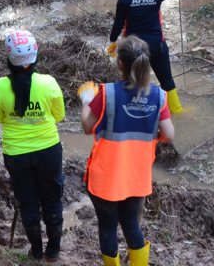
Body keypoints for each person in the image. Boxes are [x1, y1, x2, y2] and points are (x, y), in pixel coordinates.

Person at [79, 35, 175, 266]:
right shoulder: (159, 96)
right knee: (132, 225)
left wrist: (86, 99)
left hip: (105, 179)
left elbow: (86, 127)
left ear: (120, 63)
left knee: (108, 228)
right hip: (136, 177)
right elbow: (169, 135)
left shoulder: (106, 93)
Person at [0, 30, 65, 261]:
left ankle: (36, 250)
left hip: (16, 154)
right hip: (48, 151)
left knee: (28, 202)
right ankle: (53, 251)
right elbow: (59, 116)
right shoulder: (48, 83)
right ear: (35, 54)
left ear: (8, 57)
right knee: (52, 200)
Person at [108, 0, 184, 114]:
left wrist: (113, 41)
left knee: (131, 81)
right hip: (157, 46)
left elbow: (118, 23)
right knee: (167, 81)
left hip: (132, 49)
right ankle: (177, 111)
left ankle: (131, 112)